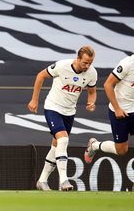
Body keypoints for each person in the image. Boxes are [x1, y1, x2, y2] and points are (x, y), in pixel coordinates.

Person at [84, 35, 134, 192]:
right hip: (119, 111)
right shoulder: (127, 64)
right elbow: (108, 84)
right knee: (121, 150)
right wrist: (117, 108)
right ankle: (94, 145)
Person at [28, 46, 97, 191]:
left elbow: (92, 92)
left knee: (56, 146)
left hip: (69, 112)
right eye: (85, 63)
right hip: (53, 107)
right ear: (78, 58)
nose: (87, 66)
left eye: (90, 63)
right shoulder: (62, 66)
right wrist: (34, 100)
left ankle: (42, 180)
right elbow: (40, 75)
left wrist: (92, 102)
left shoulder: (92, 73)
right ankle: (64, 180)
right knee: (64, 139)